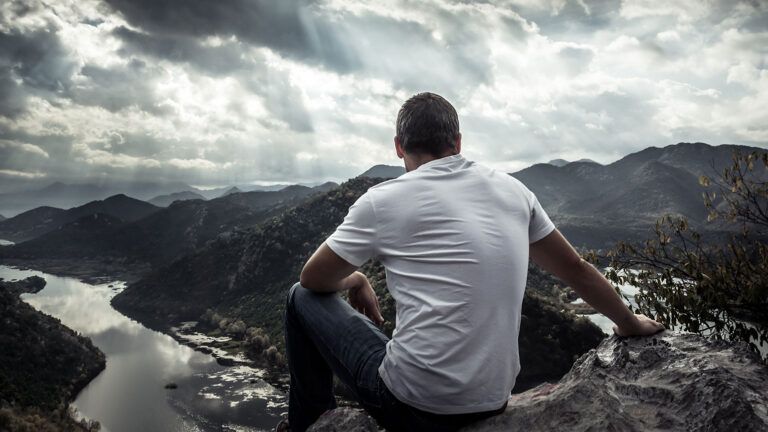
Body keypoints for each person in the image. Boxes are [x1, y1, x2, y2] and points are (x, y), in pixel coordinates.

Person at [281, 92, 664, 432]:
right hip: (493, 399)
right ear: (458, 142)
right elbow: (576, 270)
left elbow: (312, 279)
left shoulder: (381, 201)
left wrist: (357, 279)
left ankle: (308, 422)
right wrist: (628, 323)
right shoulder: (515, 190)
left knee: (299, 298)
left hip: (413, 406)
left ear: (399, 147)